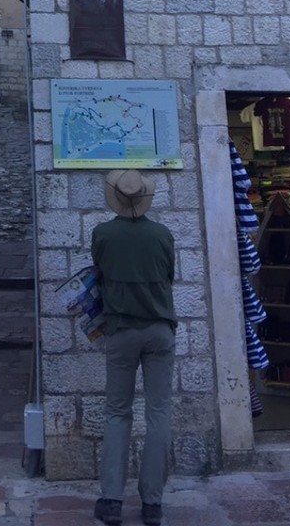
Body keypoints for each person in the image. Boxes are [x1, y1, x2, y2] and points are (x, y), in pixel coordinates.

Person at [91, 169, 176, 526]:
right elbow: (169, 276)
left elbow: (99, 273)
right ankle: (153, 503)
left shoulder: (103, 234)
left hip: (121, 329)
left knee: (117, 413)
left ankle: (111, 500)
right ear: (144, 197)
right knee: (158, 414)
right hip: (158, 330)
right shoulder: (162, 235)